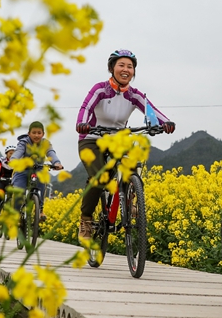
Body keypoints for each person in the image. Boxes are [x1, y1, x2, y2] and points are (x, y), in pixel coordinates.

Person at [74, 50, 175, 240]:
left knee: (132, 162)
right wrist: (82, 123)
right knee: (99, 178)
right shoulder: (100, 89)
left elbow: (151, 110)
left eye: (130, 66)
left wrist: (166, 123)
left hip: (117, 139)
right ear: (112, 68)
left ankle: (130, 198)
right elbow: (86, 108)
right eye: (121, 65)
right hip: (92, 138)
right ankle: (86, 220)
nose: (126, 69)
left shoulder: (133, 94)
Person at [12, 121, 64, 210]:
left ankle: (40, 210)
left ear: (43, 134)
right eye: (34, 133)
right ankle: (15, 215)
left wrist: (56, 163)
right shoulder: (24, 142)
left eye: (39, 133)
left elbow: (50, 152)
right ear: (29, 133)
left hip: (39, 169)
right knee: (19, 191)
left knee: (42, 186)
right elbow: (19, 151)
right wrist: (14, 160)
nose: (36, 135)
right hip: (23, 170)